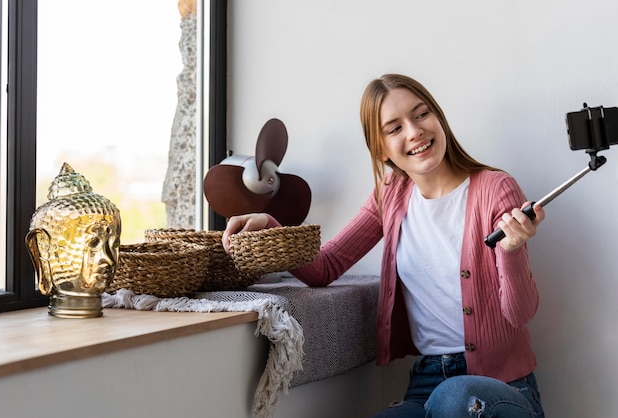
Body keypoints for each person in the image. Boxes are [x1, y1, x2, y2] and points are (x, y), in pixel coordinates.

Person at [222, 74, 545, 417]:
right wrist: (271, 229)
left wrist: (509, 251)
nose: (414, 131)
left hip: (500, 388)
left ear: (439, 118)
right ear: (380, 148)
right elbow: (326, 266)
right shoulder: (390, 195)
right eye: (394, 128)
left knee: (455, 396)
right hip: (427, 385)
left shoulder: (495, 189)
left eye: (421, 115)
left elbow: (520, 313)